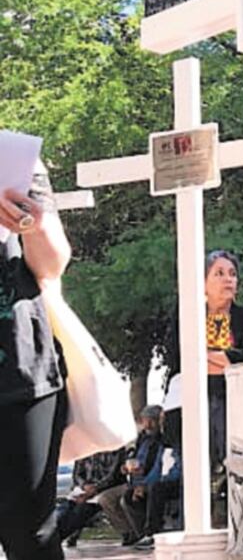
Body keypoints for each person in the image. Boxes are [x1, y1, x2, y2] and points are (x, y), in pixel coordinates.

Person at [0, 157, 71, 560]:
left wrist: (30, 223)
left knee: (30, 535)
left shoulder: (9, 156)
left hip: (19, 373)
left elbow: (52, 265)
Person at [167, 250, 243, 476]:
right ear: (203, 283)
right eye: (219, 273)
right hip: (193, 397)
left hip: (235, 398)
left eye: (232, 274)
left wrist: (201, 354)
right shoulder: (186, 317)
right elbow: (177, 356)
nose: (228, 279)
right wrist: (224, 360)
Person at [99, 406, 164, 546]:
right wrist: (125, 468)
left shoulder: (161, 441)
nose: (148, 425)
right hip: (133, 481)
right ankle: (129, 532)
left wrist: (143, 483)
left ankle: (144, 534)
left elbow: (158, 467)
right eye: (145, 420)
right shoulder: (142, 439)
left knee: (127, 499)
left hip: (148, 481)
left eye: (151, 421)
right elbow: (133, 457)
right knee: (106, 498)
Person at [129, 408, 184, 549]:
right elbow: (156, 468)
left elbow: (177, 469)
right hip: (158, 479)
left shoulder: (177, 444)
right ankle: (142, 533)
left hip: (178, 481)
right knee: (131, 497)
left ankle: (152, 532)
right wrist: (142, 484)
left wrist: (150, 484)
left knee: (157, 489)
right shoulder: (159, 443)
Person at [55, 447, 126, 546]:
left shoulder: (115, 450)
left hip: (105, 489)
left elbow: (113, 476)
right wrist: (84, 486)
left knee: (82, 510)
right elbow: (77, 475)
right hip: (84, 489)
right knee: (65, 508)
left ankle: (56, 538)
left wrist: (95, 489)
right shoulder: (84, 450)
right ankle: (51, 533)